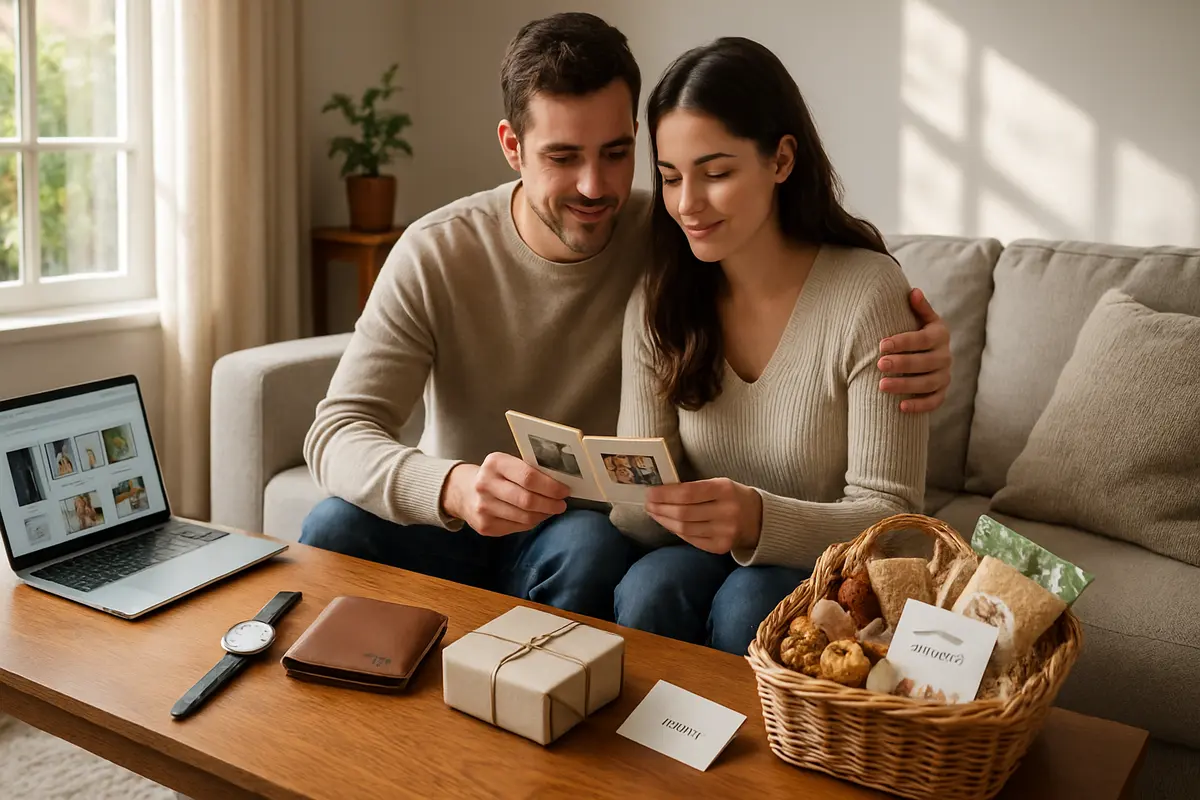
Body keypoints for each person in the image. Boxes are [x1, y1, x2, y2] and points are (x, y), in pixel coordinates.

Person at [299, 14, 951, 621]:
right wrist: (453, 487)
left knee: (597, 554)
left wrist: (922, 346)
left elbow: (820, 291)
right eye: (562, 157)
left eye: (615, 153)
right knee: (331, 528)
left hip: (580, 532)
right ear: (512, 147)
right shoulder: (438, 252)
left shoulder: (672, 241)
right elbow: (335, 433)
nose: (594, 187)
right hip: (461, 517)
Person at [610, 38, 931, 655]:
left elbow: (892, 520)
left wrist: (758, 519)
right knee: (650, 586)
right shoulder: (662, 299)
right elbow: (637, 520)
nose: (687, 204)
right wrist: (634, 497)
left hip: (831, 565)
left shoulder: (867, 293)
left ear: (781, 160)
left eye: (717, 172)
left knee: (749, 605)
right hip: (701, 555)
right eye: (671, 177)